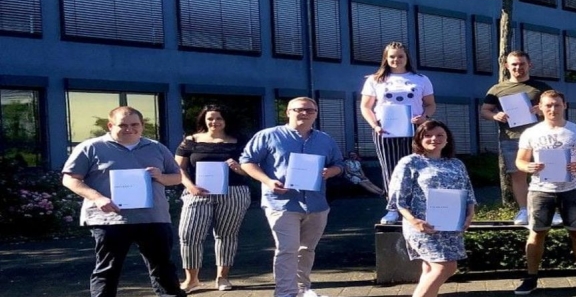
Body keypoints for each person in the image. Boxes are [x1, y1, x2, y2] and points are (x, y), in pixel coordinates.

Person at [61, 106, 187, 297]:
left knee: (163, 268)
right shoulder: (91, 147)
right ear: (110, 125)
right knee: (107, 270)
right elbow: (70, 179)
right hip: (110, 220)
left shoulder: (157, 148)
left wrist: (161, 176)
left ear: (142, 125)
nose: (129, 129)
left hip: (153, 218)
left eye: (135, 124)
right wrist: (97, 198)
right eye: (123, 125)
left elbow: (177, 177)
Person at [240, 97, 343, 297]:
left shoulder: (325, 139)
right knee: (287, 249)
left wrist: (331, 171)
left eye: (310, 110)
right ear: (288, 112)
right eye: (299, 109)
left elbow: (339, 163)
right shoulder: (268, 136)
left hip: (316, 204)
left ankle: (302, 290)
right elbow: (247, 161)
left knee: (307, 250)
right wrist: (268, 181)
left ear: (316, 114)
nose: (305, 113)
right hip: (282, 203)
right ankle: (285, 292)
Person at [513, 90, 576, 295]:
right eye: (548, 105)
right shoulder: (530, 133)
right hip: (541, 190)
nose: (552, 109)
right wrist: (528, 167)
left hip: (572, 189)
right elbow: (520, 161)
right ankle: (531, 278)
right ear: (540, 107)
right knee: (537, 233)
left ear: (564, 105)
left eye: (556, 104)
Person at [387, 120, 477, 297]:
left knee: (430, 268)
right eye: (428, 135)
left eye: (439, 135)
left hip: (451, 226)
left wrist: (470, 213)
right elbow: (398, 198)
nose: (434, 139)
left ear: (447, 139)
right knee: (446, 266)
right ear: (419, 139)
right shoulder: (410, 162)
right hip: (423, 226)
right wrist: (414, 221)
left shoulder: (456, 164)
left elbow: (467, 190)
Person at [175, 105, 252, 292]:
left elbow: (252, 168)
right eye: (210, 118)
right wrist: (190, 187)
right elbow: (178, 168)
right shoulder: (191, 140)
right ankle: (192, 279)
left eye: (219, 118)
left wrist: (239, 169)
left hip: (234, 192)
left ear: (226, 121)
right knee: (189, 234)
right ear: (204, 120)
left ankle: (222, 277)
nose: (214, 122)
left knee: (227, 235)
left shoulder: (240, 141)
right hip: (197, 193)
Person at [359, 42, 436, 224]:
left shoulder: (421, 79)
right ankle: (393, 208)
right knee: (391, 169)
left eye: (400, 56)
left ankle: (417, 207)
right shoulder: (375, 80)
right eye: (392, 56)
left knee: (417, 167)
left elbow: (430, 104)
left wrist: (424, 117)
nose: (396, 60)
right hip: (386, 130)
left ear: (407, 57)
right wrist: (375, 125)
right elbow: (365, 107)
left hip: (415, 130)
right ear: (386, 58)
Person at [480, 50, 553, 225]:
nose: (518, 67)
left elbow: (557, 106)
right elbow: (484, 111)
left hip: (540, 137)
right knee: (517, 175)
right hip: (511, 138)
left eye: (521, 64)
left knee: (545, 173)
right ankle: (524, 210)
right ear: (506, 66)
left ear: (529, 65)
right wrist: (495, 115)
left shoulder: (541, 87)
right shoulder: (497, 89)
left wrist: (542, 110)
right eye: (514, 64)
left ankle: (548, 210)